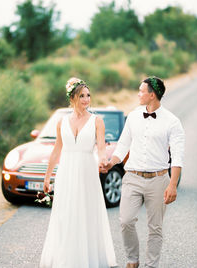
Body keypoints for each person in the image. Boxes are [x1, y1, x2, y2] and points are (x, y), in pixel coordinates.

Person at [102, 76, 185, 268]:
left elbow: (178, 157)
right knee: (125, 221)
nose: (138, 94)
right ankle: (132, 260)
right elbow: (122, 146)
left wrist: (172, 184)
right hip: (132, 177)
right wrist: (110, 162)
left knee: (155, 228)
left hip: (158, 180)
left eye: (141, 91)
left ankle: (150, 265)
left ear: (152, 95)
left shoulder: (172, 122)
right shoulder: (132, 116)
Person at [40, 77, 117, 268]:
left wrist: (103, 160)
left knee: (86, 213)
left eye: (88, 95)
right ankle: (65, 259)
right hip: (66, 171)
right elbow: (56, 151)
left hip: (86, 172)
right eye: (82, 95)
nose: (86, 99)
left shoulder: (97, 121)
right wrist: (47, 177)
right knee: (66, 214)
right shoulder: (61, 122)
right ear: (73, 97)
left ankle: (87, 259)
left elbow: (100, 148)